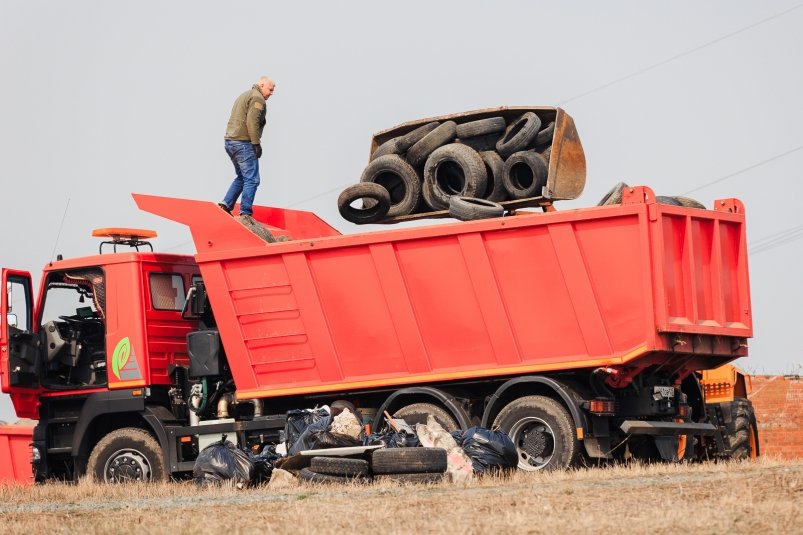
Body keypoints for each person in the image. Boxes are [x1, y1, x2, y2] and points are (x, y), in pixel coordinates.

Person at [219, 76, 276, 223]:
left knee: (242, 177)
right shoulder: (258, 99)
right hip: (243, 142)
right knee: (252, 179)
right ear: (261, 85)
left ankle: (225, 205)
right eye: (270, 89)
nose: (272, 93)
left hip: (230, 141)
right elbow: (252, 122)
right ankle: (245, 213)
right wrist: (256, 144)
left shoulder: (245, 95)